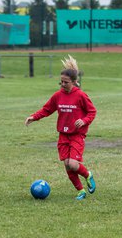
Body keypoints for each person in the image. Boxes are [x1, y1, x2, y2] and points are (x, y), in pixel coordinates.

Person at [25, 55, 97, 200]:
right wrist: (34, 117)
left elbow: (92, 112)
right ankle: (80, 191)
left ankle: (88, 175)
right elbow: (47, 109)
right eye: (61, 82)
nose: (62, 85)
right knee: (67, 164)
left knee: (73, 163)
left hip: (77, 134)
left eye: (66, 82)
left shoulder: (81, 95)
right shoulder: (58, 95)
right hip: (63, 135)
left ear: (75, 82)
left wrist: (83, 121)